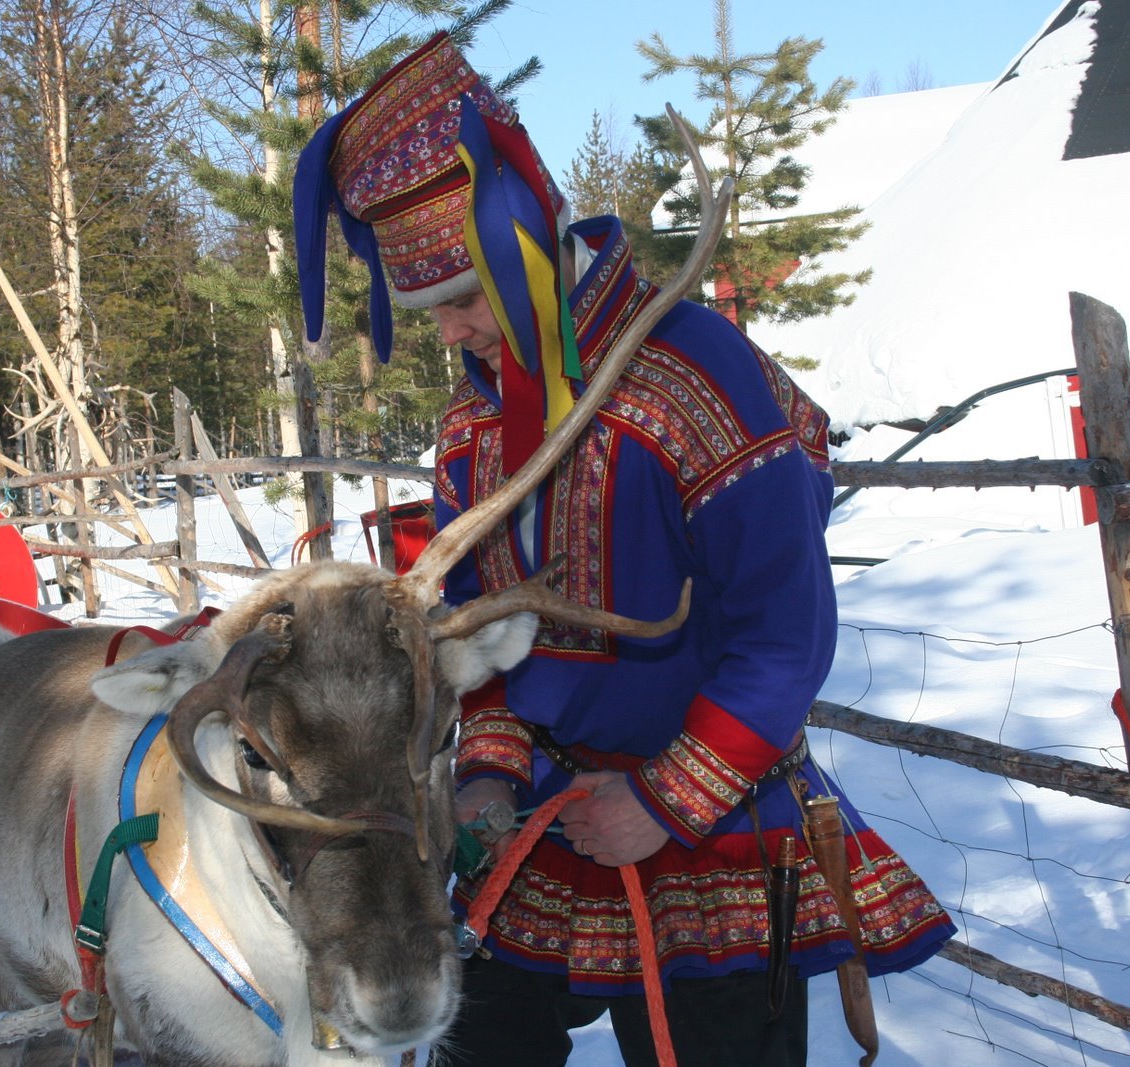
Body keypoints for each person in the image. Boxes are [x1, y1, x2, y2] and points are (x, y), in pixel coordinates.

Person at [293, 32, 956, 1066]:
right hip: (540, 831)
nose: (448, 332)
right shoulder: (473, 425)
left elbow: (784, 633)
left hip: (709, 825)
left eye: (462, 297)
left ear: (524, 246)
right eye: (426, 310)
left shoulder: (696, 374)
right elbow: (477, 631)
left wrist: (663, 798)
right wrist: (485, 775)